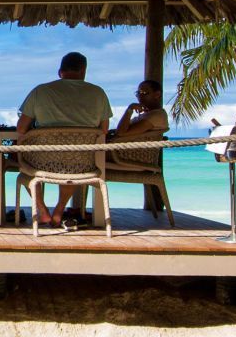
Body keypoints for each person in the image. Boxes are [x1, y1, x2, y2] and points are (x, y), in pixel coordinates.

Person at [15, 52, 112, 229]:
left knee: (24, 167)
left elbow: (21, 128)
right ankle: (59, 211)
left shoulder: (41, 91)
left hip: (42, 161)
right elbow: (103, 130)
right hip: (81, 161)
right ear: (84, 70)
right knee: (70, 167)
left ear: (60, 71)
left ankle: (43, 212)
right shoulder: (98, 93)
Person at [111, 80, 171, 211]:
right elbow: (119, 131)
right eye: (138, 93)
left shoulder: (157, 115)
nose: (140, 96)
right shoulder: (146, 115)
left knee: (83, 161)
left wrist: (129, 110)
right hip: (120, 153)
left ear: (157, 94)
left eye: (144, 93)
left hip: (128, 158)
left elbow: (121, 132)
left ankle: (77, 212)